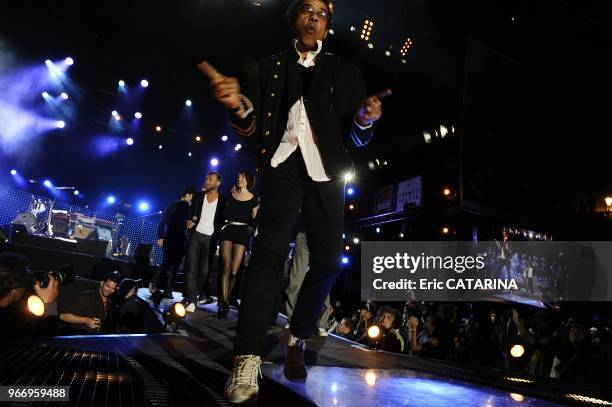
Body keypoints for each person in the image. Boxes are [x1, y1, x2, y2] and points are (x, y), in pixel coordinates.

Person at [199, 0, 388, 402]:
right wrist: (236, 103)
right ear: (294, 19)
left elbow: (352, 137)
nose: (314, 17)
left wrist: (364, 121)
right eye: (307, 9)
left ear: (327, 26)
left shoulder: (346, 71)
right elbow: (249, 122)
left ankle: (297, 334)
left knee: (328, 260)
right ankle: (246, 357)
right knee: (268, 254)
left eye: (322, 13)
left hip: (326, 173)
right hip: (282, 166)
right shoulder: (269, 67)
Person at [218, 171, 259, 319]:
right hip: (228, 230)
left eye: (242, 177)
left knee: (235, 272)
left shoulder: (254, 199)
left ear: (248, 180)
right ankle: (223, 303)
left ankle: (227, 300)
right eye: (238, 176)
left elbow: (255, 220)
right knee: (226, 266)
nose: (239, 178)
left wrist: (252, 230)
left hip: (242, 232)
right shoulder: (231, 194)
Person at [184, 172, 227, 312]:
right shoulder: (198, 196)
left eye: (210, 179)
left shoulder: (223, 200)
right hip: (195, 235)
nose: (207, 181)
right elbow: (189, 214)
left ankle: (194, 295)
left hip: (211, 238)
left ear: (218, 183)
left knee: (204, 271)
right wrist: (189, 221)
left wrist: (219, 239)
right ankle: (191, 299)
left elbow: (222, 221)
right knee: (191, 267)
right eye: (206, 179)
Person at [285, 228, 333, 336]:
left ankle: (321, 323)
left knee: (321, 281)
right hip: (305, 235)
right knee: (295, 281)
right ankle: (292, 320)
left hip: (324, 238)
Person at [150, 186, 197, 298]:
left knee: (175, 266)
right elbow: (163, 221)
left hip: (181, 240)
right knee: (167, 264)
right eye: (193, 197)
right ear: (188, 195)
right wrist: (161, 236)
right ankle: (156, 284)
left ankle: (168, 289)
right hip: (171, 238)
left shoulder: (191, 210)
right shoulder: (174, 206)